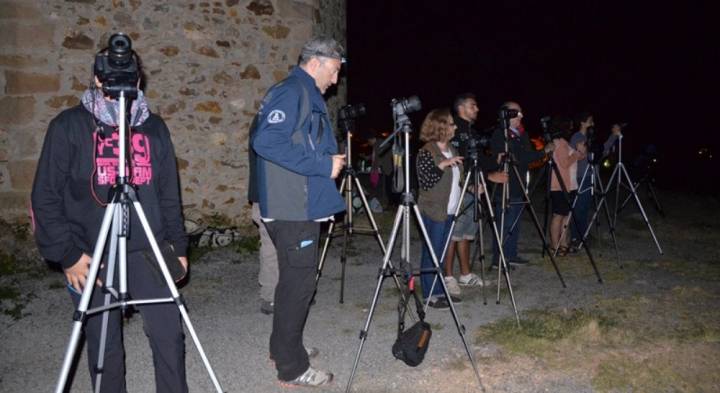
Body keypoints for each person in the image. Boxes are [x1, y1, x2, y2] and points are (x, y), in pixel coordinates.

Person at [31, 43, 189, 393]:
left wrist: (178, 246)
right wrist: (68, 255)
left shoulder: (153, 127)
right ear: (97, 78)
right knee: (104, 345)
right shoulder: (68, 126)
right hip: (91, 253)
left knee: (169, 335)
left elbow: (168, 194)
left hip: (149, 251)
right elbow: (44, 197)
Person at [251, 36, 346, 387]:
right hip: (293, 208)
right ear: (317, 62)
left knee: (291, 283)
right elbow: (266, 141)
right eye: (334, 71)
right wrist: (323, 165)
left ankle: (283, 349)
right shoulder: (293, 91)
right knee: (297, 287)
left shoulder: (303, 93)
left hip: (299, 205)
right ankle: (291, 367)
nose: (336, 81)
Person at [444, 93, 507, 298]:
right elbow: (457, 162)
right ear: (461, 108)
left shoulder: (471, 131)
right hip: (462, 188)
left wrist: (495, 164)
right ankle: (448, 277)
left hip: (474, 187)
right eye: (473, 106)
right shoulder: (454, 130)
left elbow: (477, 158)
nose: (477, 109)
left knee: (466, 234)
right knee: (453, 234)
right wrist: (474, 182)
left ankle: (465, 274)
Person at [490, 101, 554, 267]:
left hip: (519, 184)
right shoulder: (499, 134)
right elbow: (519, 157)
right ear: (507, 115)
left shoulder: (521, 134)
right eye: (517, 113)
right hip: (506, 186)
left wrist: (540, 154)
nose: (521, 116)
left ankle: (511, 255)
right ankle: (499, 259)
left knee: (515, 223)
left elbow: (527, 155)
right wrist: (543, 152)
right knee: (505, 223)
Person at [416, 108, 464, 309]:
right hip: (434, 210)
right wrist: (442, 165)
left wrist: (471, 186)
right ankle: (430, 294)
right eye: (451, 123)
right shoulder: (427, 151)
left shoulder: (452, 149)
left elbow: (457, 178)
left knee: (442, 253)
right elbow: (425, 181)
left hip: (450, 210)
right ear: (441, 127)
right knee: (432, 252)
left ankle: (439, 290)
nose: (455, 127)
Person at [248, 99, 279, 316]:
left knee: (272, 247)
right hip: (272, 195)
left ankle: (275, 295)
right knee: (274, 248)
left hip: (264, 194)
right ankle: (272, 296)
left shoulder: (259, 120)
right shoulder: (271, 122)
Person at [569, 113, 621, 244]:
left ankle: (583, 233)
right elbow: (581, 155)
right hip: (582, 176)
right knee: (580, 207)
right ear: (582, 122)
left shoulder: (589, 137)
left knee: (585, 207)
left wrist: (612, 138)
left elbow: (597, 154)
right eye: (590, 121)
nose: (593, 124)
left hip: (590, 175)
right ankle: (577, 236)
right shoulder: (577, 137)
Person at [549, 120, 586, 255]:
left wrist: (580, 151)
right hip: (560, 186)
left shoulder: (566, 143)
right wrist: (576, 154)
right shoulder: (559, 143)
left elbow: (577, 158)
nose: (571, 128)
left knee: (566, 217)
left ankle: (563, 244)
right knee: (558, 216)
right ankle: (554, 246)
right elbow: (564, 163)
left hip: (570, 185)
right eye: (569, 126)